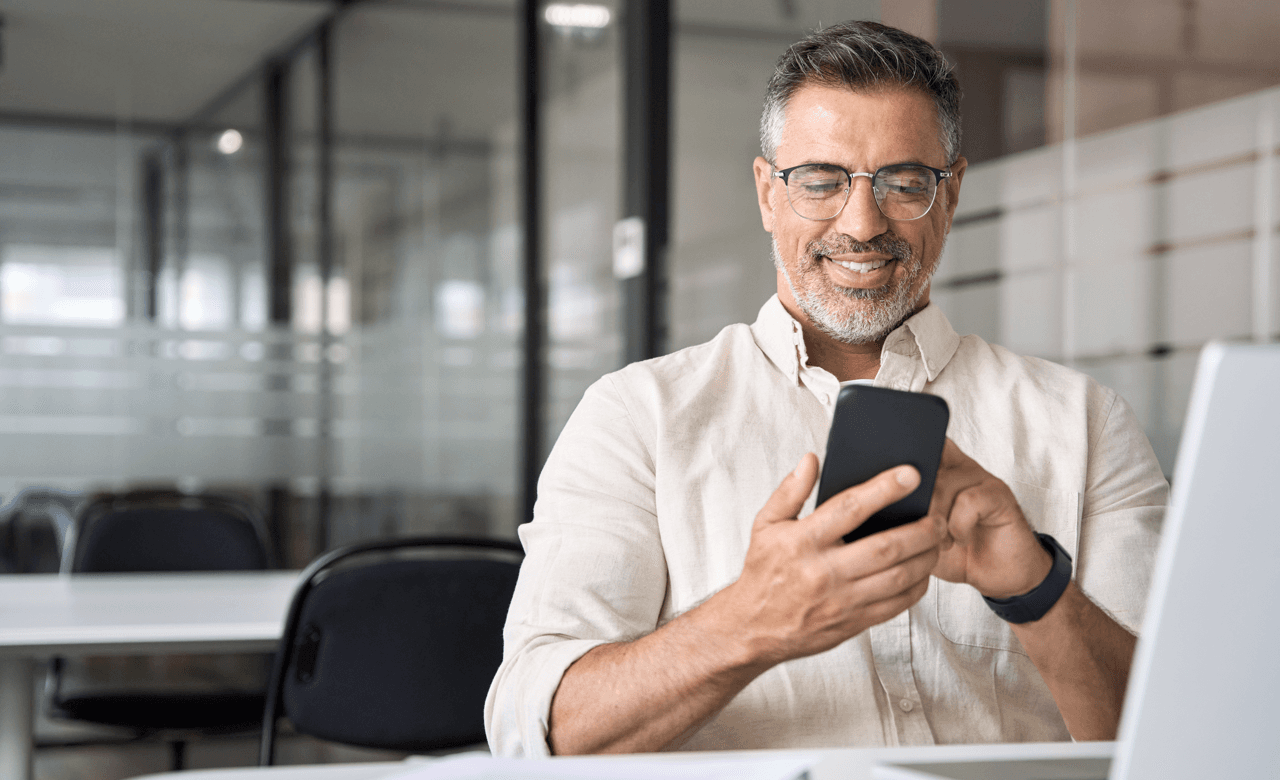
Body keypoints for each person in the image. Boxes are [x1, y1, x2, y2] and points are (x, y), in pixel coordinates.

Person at [486, 20, 1167, 756]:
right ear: (767, 194)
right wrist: (751, 621)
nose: (862, 222)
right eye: (820, 181)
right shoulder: (637, 418)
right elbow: (539, 733)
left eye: (905, 183)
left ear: (953, 193)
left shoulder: (1084, 423)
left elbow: (1186, 733)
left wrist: (1037, 592)